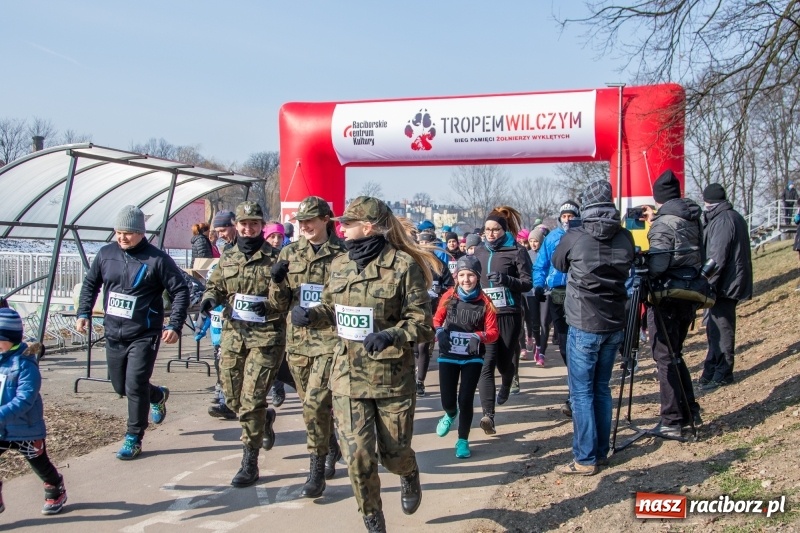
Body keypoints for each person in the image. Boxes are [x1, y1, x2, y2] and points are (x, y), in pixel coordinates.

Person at [290, 196, 436, 532]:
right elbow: (331, 309)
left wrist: (392, 336)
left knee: (393, 453)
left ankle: (409, 472)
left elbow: (422, 323)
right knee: (357, 456)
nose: (341, 228)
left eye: (347, 222)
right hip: (347, 376)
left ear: (367, 226)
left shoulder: (403, 266)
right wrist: (311, 315)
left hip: (390, 378)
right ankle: (373, 519)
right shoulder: (339, 265)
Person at [77, 205, 189, 460]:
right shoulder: (106, 255)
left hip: (144, 333)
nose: (121, 237)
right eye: (118, 232)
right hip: (114, 332)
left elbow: (180, 291)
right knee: (121, 387)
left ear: (140, 232)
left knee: (135, 384)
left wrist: (174, 325)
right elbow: (91, 284)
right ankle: (158, 395)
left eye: (127, 233)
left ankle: (134, 437)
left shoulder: (157, 259)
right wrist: (83, 312)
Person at [200, 201, 290, 487]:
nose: (248, 228)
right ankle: (264, 421)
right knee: (232, 398)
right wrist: (209, 299)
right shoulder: (227, 257)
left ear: (261, 225)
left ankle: (249, 462)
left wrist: (274, 300)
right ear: (235, 226)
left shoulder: (277, 258)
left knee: (251, 401)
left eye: (254, 223)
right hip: (233, 336)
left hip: (265, 338)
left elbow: (288, 299)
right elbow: (215, 285)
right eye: (243, 223)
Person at [552, 180, 634, 475]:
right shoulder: (625, 236)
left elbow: (558, 263)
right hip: (614, 322)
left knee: (582, 393)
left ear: (585, 206)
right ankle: (599, 453)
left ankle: (585, 458)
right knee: (601, 389)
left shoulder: (576, 235)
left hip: (584, 323)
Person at [269, 196, 346, 498]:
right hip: (298, 342)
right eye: (301, 221)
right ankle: (331, 445)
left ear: (326, 219)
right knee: (310, 405)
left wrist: (321, 311)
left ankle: (315, 470)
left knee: (315, 403)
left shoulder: (344, 254)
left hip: (329, 339)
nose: (305, 226)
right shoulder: (289, 252)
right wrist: (276, 282)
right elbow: (278, 305)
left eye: (311, 220)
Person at [641, 170, 703, 438]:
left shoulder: (664, 223)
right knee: (675, 355)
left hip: (666, 296)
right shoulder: (693, 217)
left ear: (659, 198)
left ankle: (672, 419)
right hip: (689, 292)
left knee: (664, 356)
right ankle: (689, 410)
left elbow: (658, 264)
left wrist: (643, 264)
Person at [471, 207, 533, 434]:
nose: (490, 234)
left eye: (495, 230)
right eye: (487, 229)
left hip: (508, 314)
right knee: (485, 366)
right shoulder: (478, 251)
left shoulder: (516, 251)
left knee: (504, 363)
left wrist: (507, 280)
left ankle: (508, 380)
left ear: (504, 230)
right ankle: (488, 415)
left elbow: (527, 283)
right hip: (484, 316)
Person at [0, 309, 67, 515]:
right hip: (2, 427)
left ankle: (55, 487)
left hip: (26, 429)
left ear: (11, 339)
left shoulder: (25, 365)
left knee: (40, 464)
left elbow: (25, 399)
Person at [433, 255, 499, 459]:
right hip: (449, 355)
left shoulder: (486, 303)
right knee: (448, 399)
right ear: (456, 277)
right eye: (462, 275)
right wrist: (439, 332)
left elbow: (494, 332)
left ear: (477, 277)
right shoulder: (449, 297)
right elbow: (436, 319)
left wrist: (478, 336)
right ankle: (450, 413)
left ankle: (462, 440)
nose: (466, 280)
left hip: (472, 357)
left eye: (470, 275)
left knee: (466, 398)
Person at [699, 183, 753, 391]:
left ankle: (723, 372)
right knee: (715, 327)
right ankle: (712, 369)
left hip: (725, 284)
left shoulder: (723, 220)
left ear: (708, 201)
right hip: (729, 281)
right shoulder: (731, 216)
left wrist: (706, 283)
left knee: (722, 328)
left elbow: (717, 257)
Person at [534, 200, 581, 418]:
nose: (568, 219)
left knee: (578, 341)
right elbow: (541, 263)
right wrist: (538, 284)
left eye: (571, 215)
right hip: (557, 292)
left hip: (580, 291)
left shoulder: (583, 234)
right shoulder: (552, 237)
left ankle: (577, 391)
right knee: (563, 340)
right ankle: (571, 369)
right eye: (565, 216)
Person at [415, 232, 455, 397]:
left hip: (432, 311)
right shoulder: (412, 262)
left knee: (424, 347)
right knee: (413, 348)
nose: (424, 246)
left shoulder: (439, 266)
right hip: (413, 311)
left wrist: (441, 299)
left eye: (427, 243)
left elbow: (449, 287)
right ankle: (412, 375)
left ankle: (419, 382)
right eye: (421, 243)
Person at [526, 226, 551, 366]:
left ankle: (542, 352)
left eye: (536, 241)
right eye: (531, 241)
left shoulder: (546, 253)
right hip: (531, 292)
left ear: (541, 241)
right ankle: (537, 345)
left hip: (546, 291)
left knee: (544, 322)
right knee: (534, 321)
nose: (533, 244)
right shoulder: (527, 254)